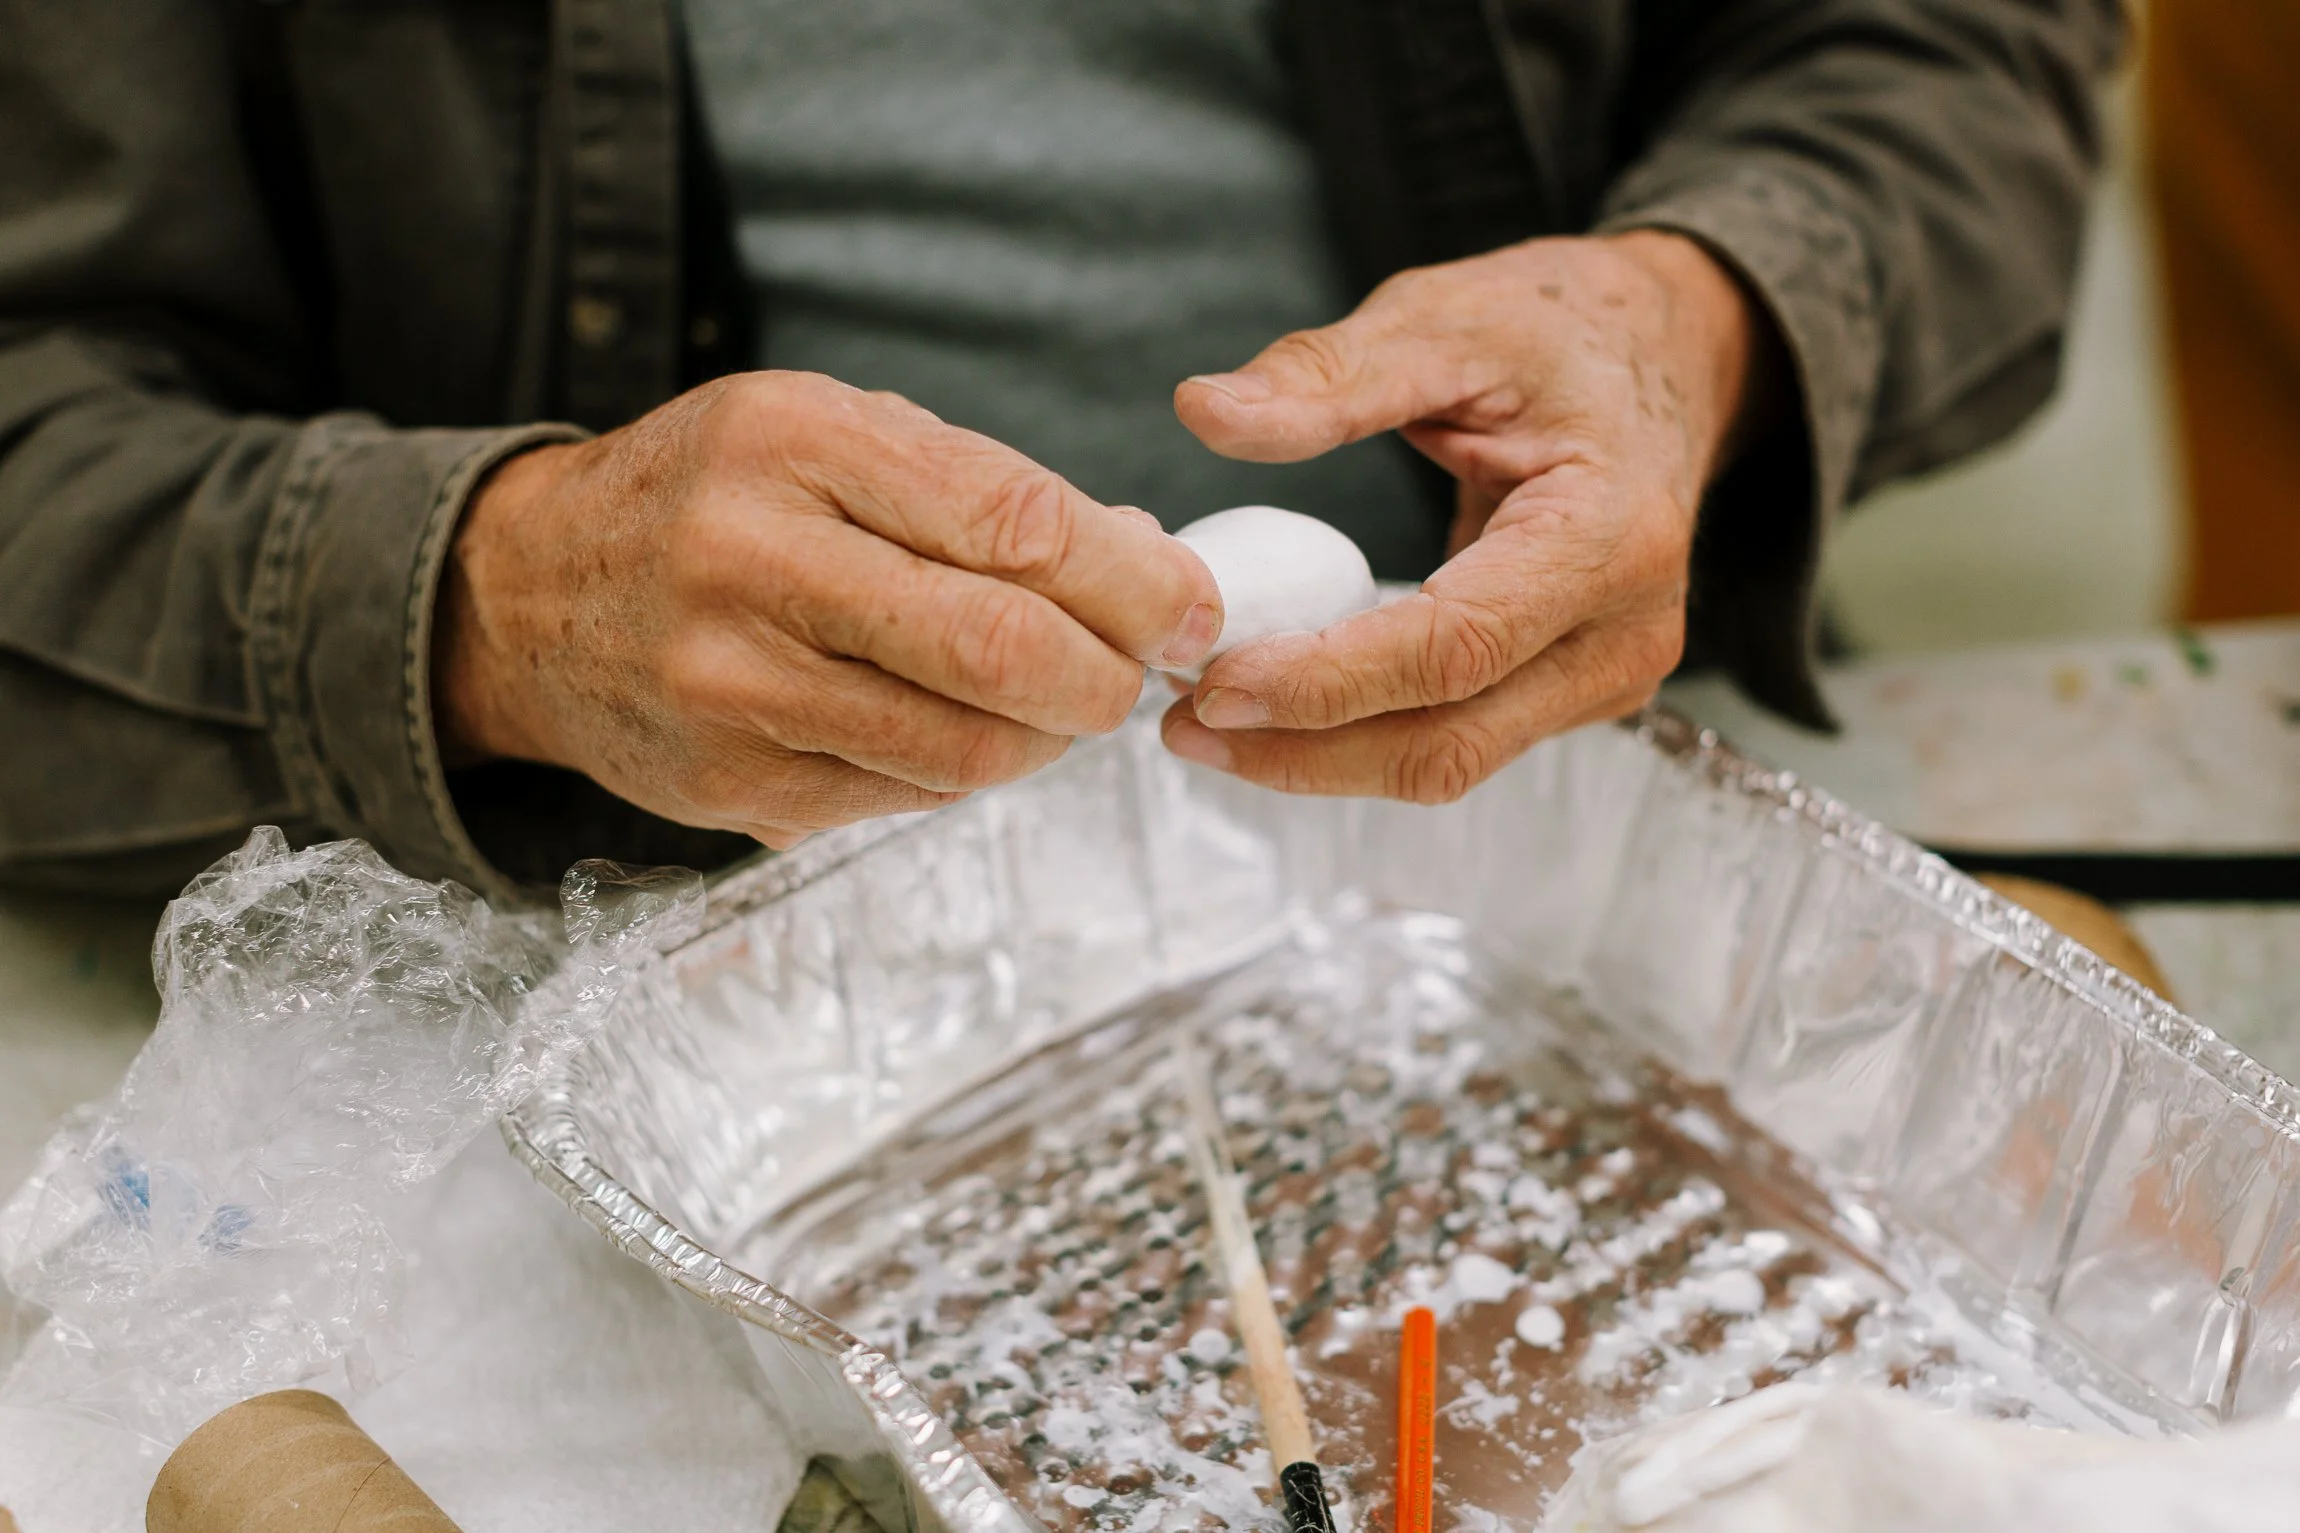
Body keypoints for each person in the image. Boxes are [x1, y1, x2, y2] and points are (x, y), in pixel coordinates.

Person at [0, 1, 2121, 898]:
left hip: (1540, 810)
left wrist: (1698, 312)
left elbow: (1946, 49)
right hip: (561, 892)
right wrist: (489, 590)